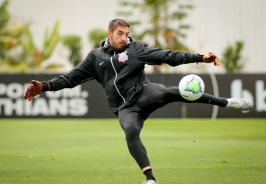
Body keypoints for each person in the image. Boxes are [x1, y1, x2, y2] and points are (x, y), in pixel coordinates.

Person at [23, 19, 253, 184]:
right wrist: (44, 86)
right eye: (120, 33)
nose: (125, 38)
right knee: (130, 130)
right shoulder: (95, 58)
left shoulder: (136, 49)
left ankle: (228, 102)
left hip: (144, 92)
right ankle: (150, 179)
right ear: (110, 33)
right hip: (124, 108)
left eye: (127, 33)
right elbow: (71, 78)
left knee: (173, 92)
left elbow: (168, 56)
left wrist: (199, 57)